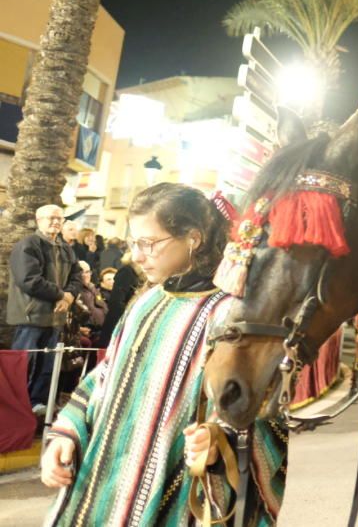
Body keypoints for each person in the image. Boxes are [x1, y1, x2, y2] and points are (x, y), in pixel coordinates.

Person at [40, 183, 287, 525]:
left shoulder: (232, 315)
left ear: (193, 239)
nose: (136, 256)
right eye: (133, 243)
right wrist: (67, 432)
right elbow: (107, 376)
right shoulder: (146, 302)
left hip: (179, 499)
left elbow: (265, 407)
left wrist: (220, 442)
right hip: (101, 490)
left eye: (148, 243)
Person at [7, 205, 84, 414]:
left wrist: (69, 296)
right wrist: (62, 295)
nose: (56, 222)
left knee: (48, 367)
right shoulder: (28, 245)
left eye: (59, 218)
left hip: (55, 319)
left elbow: (77, 276)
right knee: (24, 367)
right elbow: (29, 280)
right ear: (38, 219)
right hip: (30, 318)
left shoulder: (66, 248)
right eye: (51, 218)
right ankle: (15, 410)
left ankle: (38, 406)